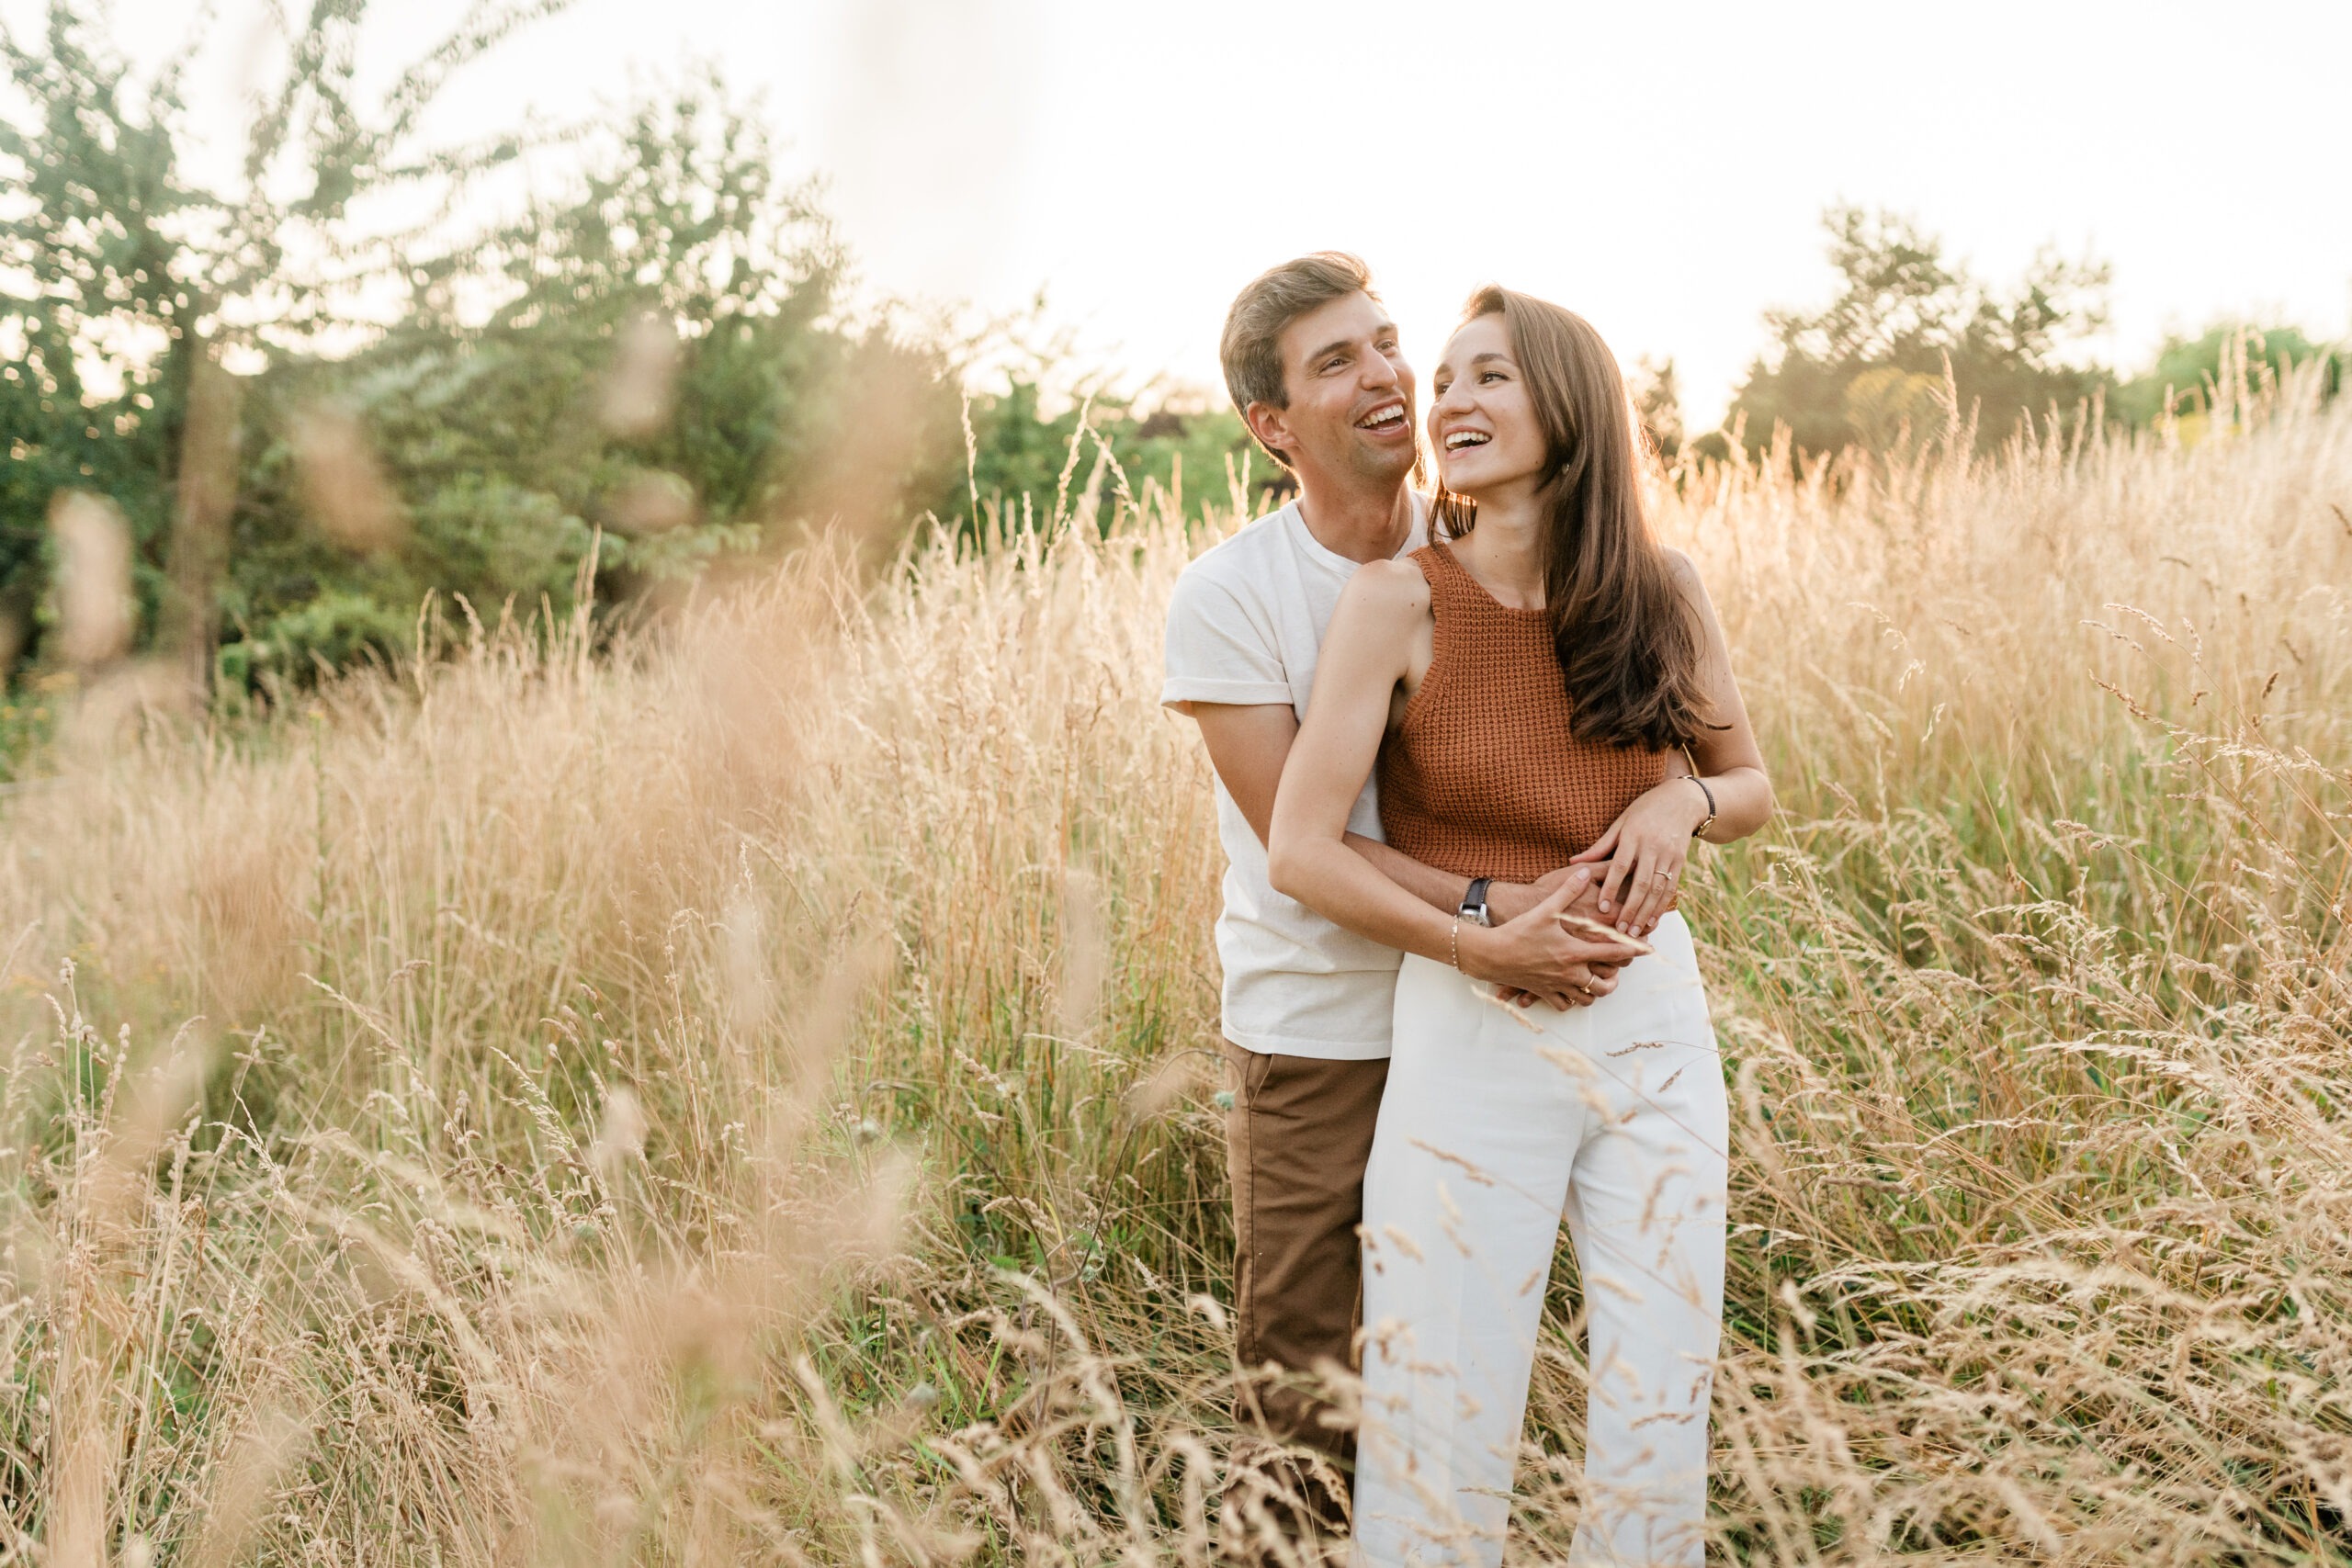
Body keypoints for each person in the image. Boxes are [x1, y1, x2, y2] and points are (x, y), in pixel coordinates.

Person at [1267, 287, 1773, 1566]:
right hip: (1473, 1020)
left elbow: (1752, 786)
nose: (1449, 402)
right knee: (1444, 1409)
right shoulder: (1399, 602)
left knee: (1660, 1398)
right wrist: (1478, 941)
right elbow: (1303, 848)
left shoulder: (1664, 588)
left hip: (1653, 1025)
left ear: (1570, 405)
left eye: (1487, 376)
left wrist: (1683, 809)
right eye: (1444, 382)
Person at [1162, 256, 1647, 1550]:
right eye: (1338, 363)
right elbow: (1302, 850)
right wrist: (1498, 916)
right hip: (1327, 1031)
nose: (1385, 377)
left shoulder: (1498, 548)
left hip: (1494, 1018)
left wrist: (1664, 820)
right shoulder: (1231, 599)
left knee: (1463, 1365)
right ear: (1272, 427)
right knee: (1312, 1386)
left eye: (1387, 346)